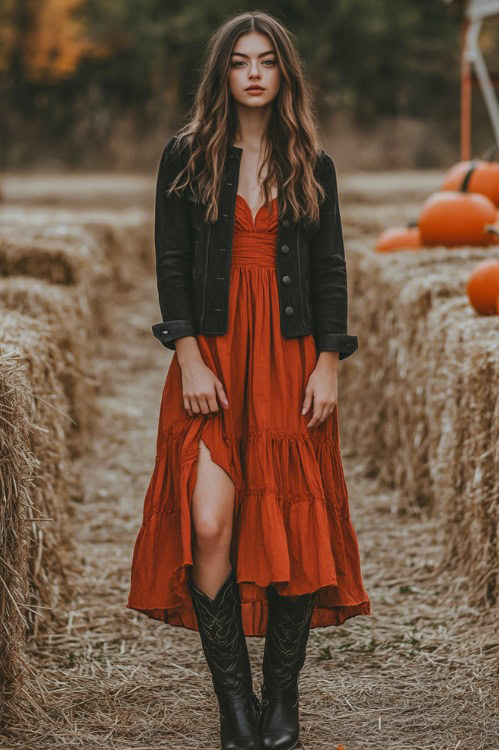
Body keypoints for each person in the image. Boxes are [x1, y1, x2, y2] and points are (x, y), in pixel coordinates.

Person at [127, 10, 371, 750]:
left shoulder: (311, 163)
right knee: (209, 524)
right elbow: (171, 264)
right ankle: (234, 706)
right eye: (240, 61)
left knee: (290, 528)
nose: (255, 72)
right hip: (215, 362)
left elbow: (330, 271)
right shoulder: (188, 157)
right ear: (223, 74)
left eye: (267, 60)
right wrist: (189, 355)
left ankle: (280, 706)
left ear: (284, 73)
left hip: (290, 364)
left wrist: (328, 364)